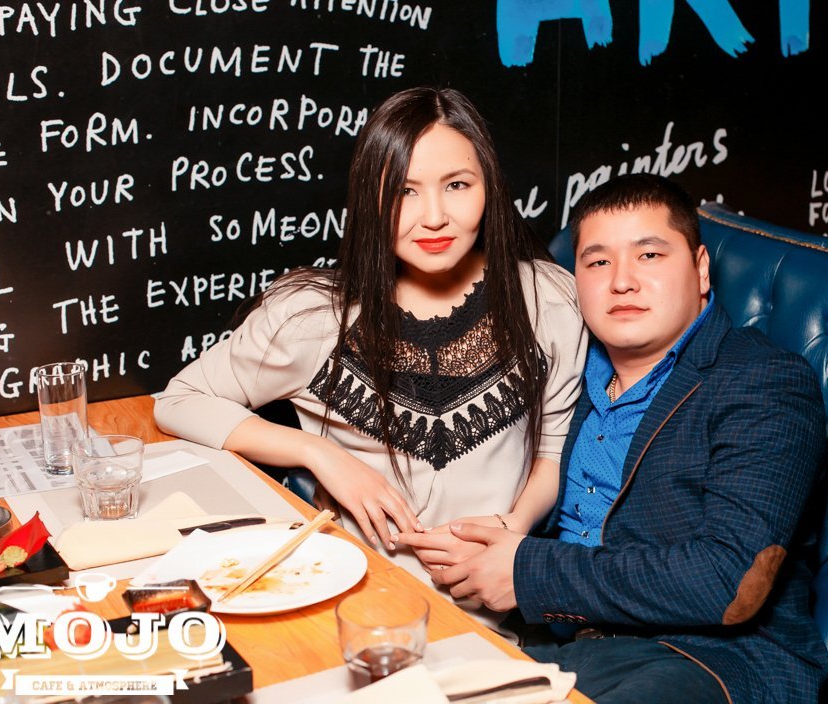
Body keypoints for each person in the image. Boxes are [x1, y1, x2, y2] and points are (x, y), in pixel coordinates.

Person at [153, 87, 586, 623]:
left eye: (457, 185)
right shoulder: (313, 318)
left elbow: (554, 447)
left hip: (493, 614)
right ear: (370, 198)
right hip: (346, 603)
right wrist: (319, 454)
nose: (434, 217)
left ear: (488, 187)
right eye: (404, 191)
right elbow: (179, 400)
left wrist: (513, 531)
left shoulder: (548, 300)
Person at [399, 174, 828, 703]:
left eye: (649, 255)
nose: (622, 281)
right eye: (598, 262)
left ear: (700, 269)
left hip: (708, 660)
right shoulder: (564, 371)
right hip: (563, 649)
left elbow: (728, 581)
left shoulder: (764, 380)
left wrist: (526, 572)